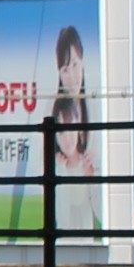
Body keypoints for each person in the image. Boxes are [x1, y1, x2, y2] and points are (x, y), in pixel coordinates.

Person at [51, 22, 99, 242]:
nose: (72, 75)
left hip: (88, 244)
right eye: (64, 69)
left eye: (75, 64)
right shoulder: (52, 110)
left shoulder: (96, 109)